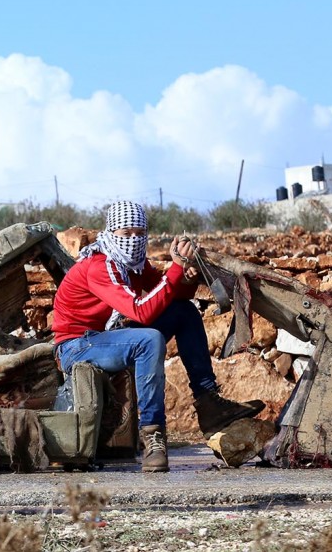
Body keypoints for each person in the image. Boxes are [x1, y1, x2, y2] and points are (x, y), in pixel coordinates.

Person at [52, 201, 264, 473]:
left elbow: (170, 294)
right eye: (126, 234)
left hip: (106, 338)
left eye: (140, 233)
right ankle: (153, 435)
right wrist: (174, 269)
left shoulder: (133, 264)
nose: (133, 240)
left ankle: (208, 401)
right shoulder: (99, 266)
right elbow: (141, 311)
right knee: (149, 339)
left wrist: (186, 273)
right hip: (77, 345)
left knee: (184, 312)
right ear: (111, 233)